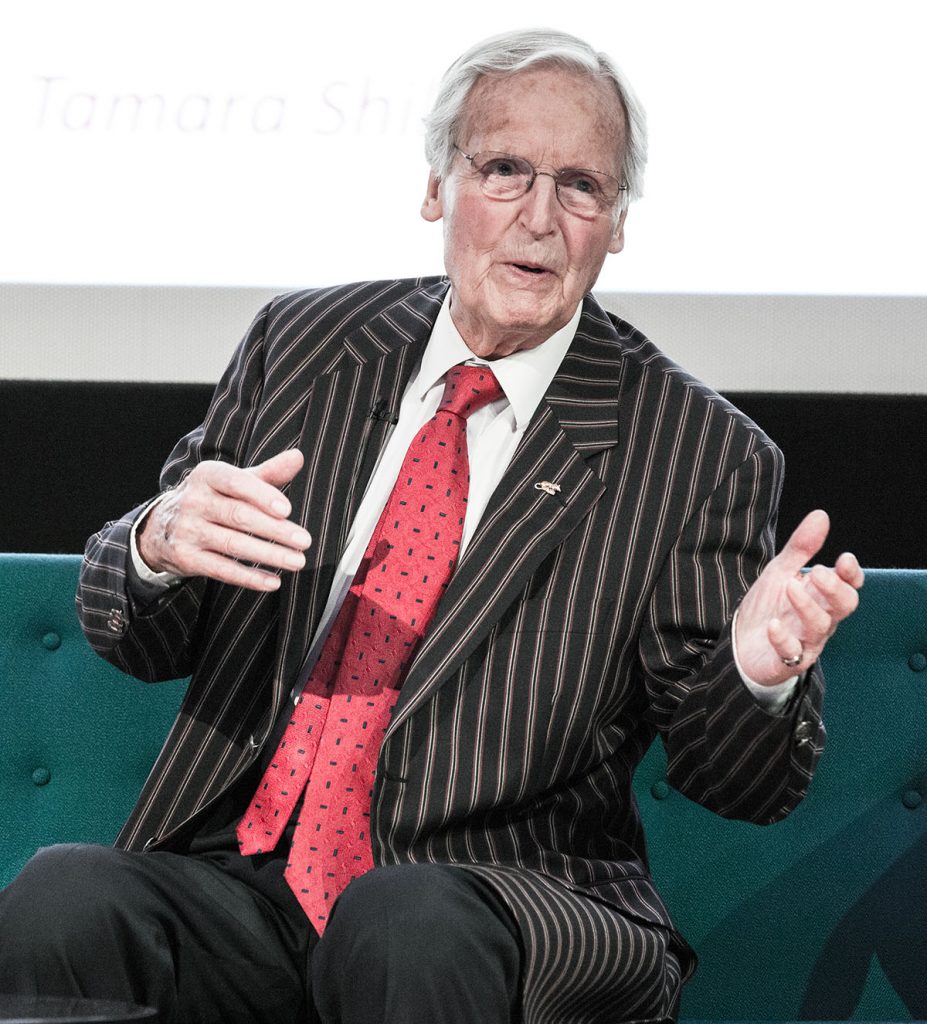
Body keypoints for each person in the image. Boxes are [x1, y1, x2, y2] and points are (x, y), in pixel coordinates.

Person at [0, 27, 863, 1024]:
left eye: (582, 186)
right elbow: (137, 638)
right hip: (245, 881)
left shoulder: (696, 449)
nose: (540, 217)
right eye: (504, 170)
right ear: (435, 186)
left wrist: (755, 674)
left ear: (617, 223)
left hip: (501, 893)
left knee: (401, 921)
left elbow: (739, 782)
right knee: (63, 896)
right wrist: (156, 546)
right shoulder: (303, 346)